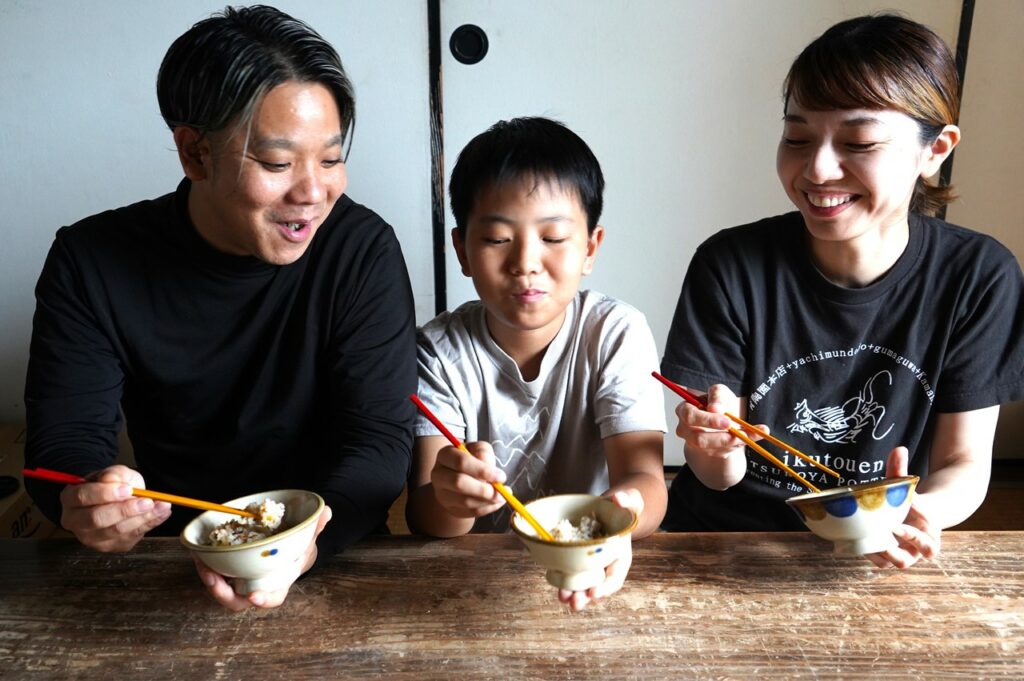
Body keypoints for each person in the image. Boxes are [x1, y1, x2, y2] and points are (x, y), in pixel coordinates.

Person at [23, 5, 417, 610]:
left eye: (331, 159)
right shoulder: (91, 261)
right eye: (278, 163)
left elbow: (380, 440)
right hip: (174, 562)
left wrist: (301, 547)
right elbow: (62, 448)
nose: (314, 192)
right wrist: (88, 500)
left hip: (336, 553)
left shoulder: (360, 250)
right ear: (195, 154)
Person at [661, 14, 1024, 569]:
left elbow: (964, 464)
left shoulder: (979, 276)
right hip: (727, 541)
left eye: (859, 141)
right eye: (797, 137)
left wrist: (915, 514)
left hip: (871, 547)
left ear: (935, 150)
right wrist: (713, 446)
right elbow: (719, 474)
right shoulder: (730, 265)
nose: (817, 168)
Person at [407, 117, 667, 611]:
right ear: (462, 250)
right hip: (479, 586)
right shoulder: (439, 350)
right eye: (497, 238)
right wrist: (449, 498)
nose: (525, 262)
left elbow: (647, 481)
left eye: (553, 237)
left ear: (590, 248)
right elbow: (426, 517)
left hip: (597, 564)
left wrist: (627, 510)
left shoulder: (615, 332)